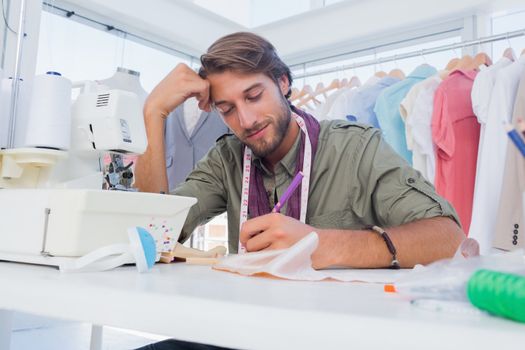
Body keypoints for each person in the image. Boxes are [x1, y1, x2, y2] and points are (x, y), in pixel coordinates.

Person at [134, 31, 464, 350]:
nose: (246, 120)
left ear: (282, 82)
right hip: (243, 332)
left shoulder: (355, 147)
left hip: (332, 338)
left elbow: (448, 238)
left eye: (253, 96)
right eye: (228, 109)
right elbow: (155, 234)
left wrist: (323, 245)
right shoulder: (227, 158)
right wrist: (153, 113)